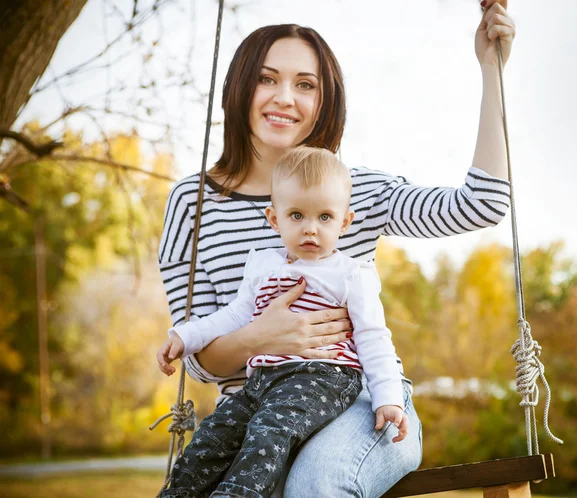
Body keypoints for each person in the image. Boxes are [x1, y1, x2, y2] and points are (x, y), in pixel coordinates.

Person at [157, 2, 515, 496]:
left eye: (306, 84)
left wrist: (492, 70)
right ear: (239, 88)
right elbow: (198, 361)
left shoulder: (353, 193)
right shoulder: (192, 203)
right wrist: (264, 335)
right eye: (267, 79)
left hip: (360, 402)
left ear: (326, 100)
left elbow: (482, 204)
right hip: (253, 408)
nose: (284, 97)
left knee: (318, 485)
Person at [157, 146, 408, 498]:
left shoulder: (352, 273)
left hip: (324, 376)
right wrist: (185, 336)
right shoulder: (262, 266)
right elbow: (234, 315)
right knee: (216, 432)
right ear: (274, 219)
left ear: (344, 222)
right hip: (263, 381)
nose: (310, 229)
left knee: (270, 429)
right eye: (296, 216)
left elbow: (374, 338)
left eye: (324, 217)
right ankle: (177, 492)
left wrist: (389, 398)